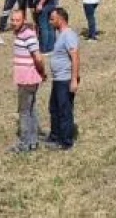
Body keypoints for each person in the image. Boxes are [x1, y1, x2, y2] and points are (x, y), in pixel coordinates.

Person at [9, 8, 46, 153]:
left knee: (24, 111)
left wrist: (42, 72)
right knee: (31, 108)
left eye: (17, 20)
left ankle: (25, 143)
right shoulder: (20, 33)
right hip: (26, 78)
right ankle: (34, 139)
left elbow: (38, 57)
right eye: (12, 19)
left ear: (24, 20)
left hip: (27, 79)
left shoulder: (27, 35)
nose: (14, 22)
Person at [47, 8, 80, 151]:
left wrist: (74, 80)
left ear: (60, 19)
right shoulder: (60, 35)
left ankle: (66, 142)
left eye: (52, 19)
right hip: (58, 79)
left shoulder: (69, 35)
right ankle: (55, 136)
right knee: (54, 108)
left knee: (64, 110)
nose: (50, 22)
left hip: (65, 79)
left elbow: (75, 57)